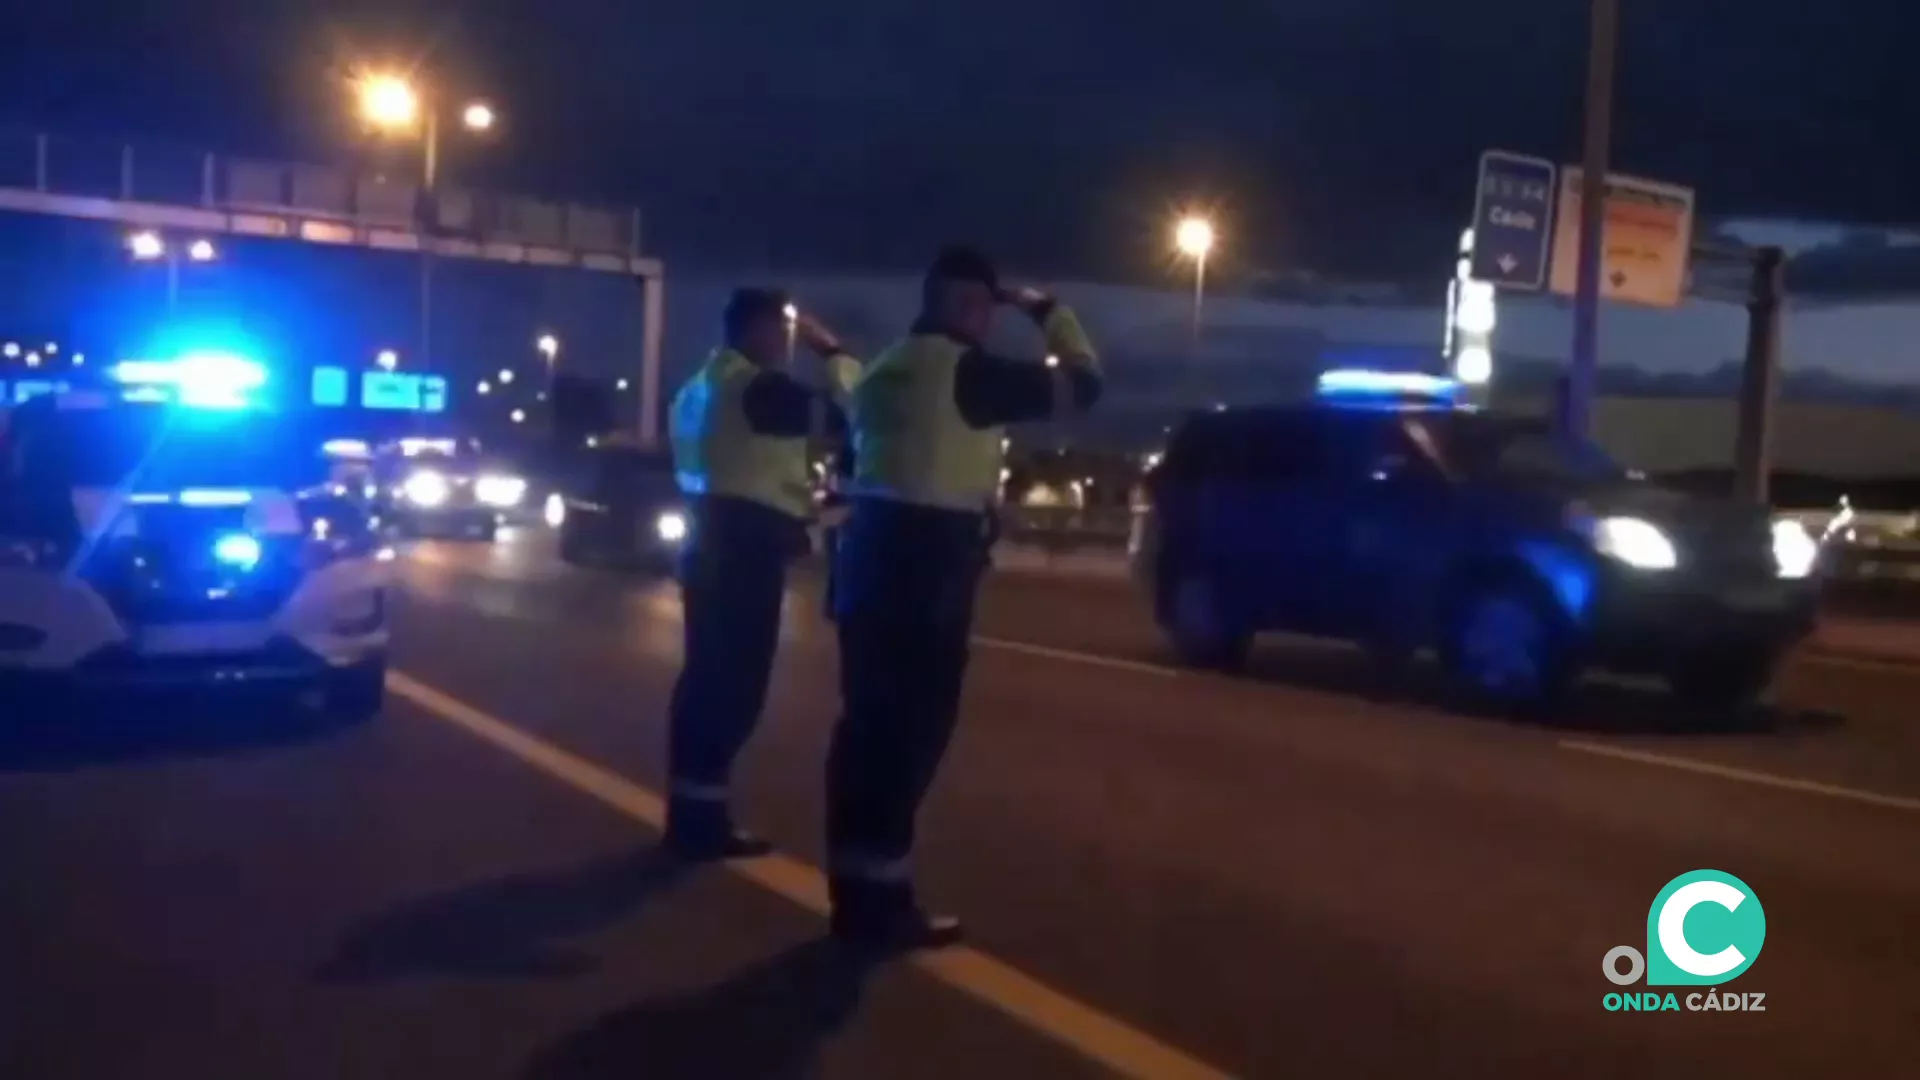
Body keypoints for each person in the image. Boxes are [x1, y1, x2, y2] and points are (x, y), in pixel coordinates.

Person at [828, 247, 1101, 949]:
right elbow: (1086, 383)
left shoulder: (885, 369)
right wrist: (1046, 309)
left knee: (865, 733)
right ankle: (882, 902)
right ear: (967, 306)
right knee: (911, 736)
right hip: (927, 572)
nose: (989, 321)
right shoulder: (965, 372)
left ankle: (855, 890)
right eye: (985, 308)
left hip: (866, 562)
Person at [665, 287, 859, 860]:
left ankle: (693, 812)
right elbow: (855, 407)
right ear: (756, 331)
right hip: (745, 548)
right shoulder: (757, 388)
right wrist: (836, 354)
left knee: (704, 681)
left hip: (708, 538)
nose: (787, 344)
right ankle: (702, 821)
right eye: (782, 331)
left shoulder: (696, 389)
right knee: (735, 687)